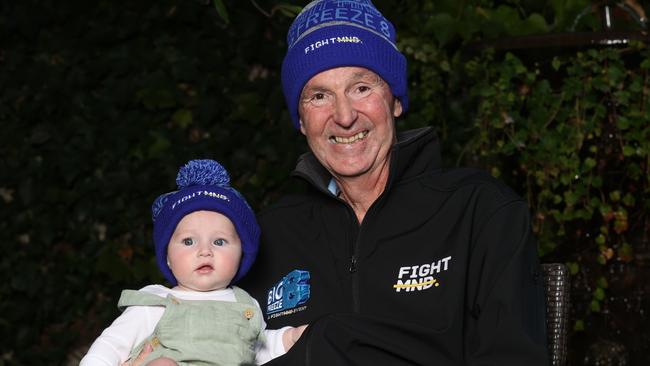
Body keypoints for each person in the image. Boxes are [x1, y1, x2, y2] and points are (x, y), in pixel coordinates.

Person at [130, 0, 549, 365]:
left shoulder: (479, 211)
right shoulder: (267, 237)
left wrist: (330, 345)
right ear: (300, 120)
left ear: (396, 100)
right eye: (319, 96)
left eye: (362, 87)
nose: (344, 116)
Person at [80, 159, 306, 366]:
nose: (205, 251)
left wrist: (288, 338)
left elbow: (258, 349)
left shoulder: (245, 304)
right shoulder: (156, 301)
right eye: (188, 241)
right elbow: (111, 344)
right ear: (168, 257)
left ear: (241, 253)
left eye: (219, 241)